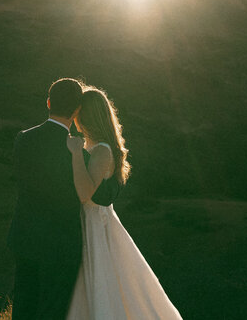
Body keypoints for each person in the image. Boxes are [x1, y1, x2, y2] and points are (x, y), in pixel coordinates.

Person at [66, 86, 182, 319]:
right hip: (92, 222)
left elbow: (85, 193)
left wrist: (76, 154)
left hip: (95, 226)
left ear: (86, 116)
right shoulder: (94, 147)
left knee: (101, 283)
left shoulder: (102, 152)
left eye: (77, 113)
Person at [8, 77, 85, 319]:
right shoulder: (77, 151)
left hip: (25, 234)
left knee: (24, 302)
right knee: (54, 307)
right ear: (77, 111)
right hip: (61, 241)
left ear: (49, 103)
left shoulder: (24, 138)